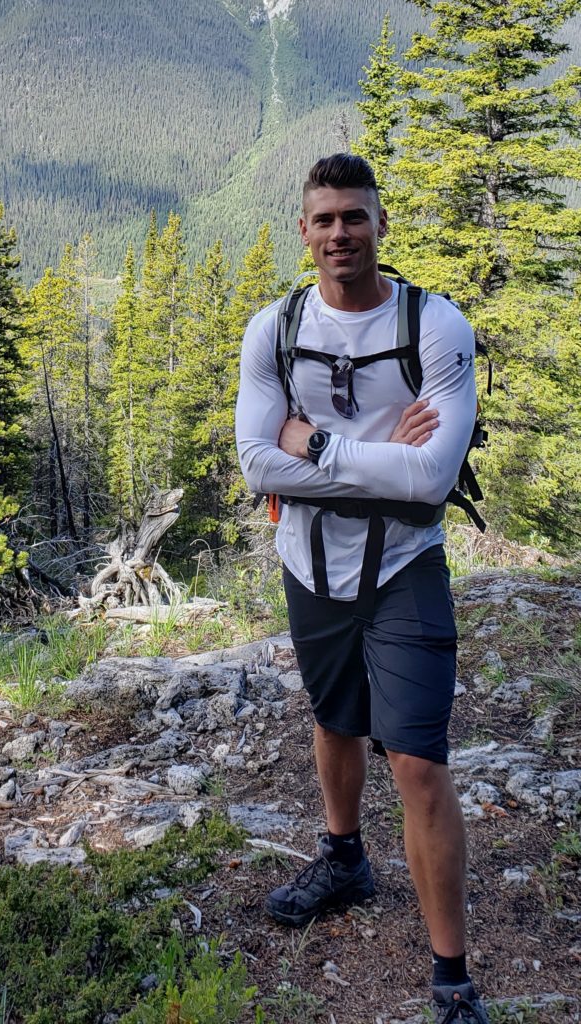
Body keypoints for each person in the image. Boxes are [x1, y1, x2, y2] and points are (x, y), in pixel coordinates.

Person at [235, 153, 488, 1024]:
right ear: (302, 231)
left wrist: (315, 447)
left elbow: (428, 482)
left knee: (416, 760)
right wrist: (381, 459)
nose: (340, 232)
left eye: (355, 216)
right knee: (334, 717)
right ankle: (344, 858)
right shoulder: (272, 330)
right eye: (324, 218)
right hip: (308, 564)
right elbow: (251, 461)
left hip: (403, 566)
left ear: (380, 223)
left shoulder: (435, 326)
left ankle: (450, 978)